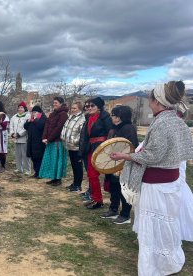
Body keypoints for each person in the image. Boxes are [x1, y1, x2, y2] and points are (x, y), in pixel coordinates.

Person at [110, 81, 193, 275]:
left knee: (155, 223)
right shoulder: (174, 119)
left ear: (157, 101)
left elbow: (152, 155)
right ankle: (168, 259)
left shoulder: (163, 121)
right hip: (170, 181)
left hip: (156, 184)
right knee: (166, 222)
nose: (149, 102)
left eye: (151, 98)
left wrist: (125, 156)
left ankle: (157, 265)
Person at [100, 105, 138, 224]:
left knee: (123, 189)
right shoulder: (113, 128)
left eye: (114, 115)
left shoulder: (128, 128)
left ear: (120, 117)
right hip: (113, 163)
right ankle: (113, 209)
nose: (112, 117)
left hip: (124, 163)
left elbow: (131, 147)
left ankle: (125, 214)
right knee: (114, 187)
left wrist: (122, 157)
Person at [81, 97, 113, 209]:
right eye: (87, 106)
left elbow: (111, 133)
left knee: (109, 176)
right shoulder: (88, 118)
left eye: (92, 106)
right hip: (91, 148)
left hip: (102, 149)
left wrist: (106, 148)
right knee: (91, 175)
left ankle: (113, 203)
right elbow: (85, 136)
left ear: (99, 106)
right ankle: (97, 199)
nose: (89, 108)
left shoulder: (105, 118)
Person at [39, 97, 69, 186]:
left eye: (56, 103)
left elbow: (58, 128)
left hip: (57, 141)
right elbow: (47, 126)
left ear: (61, 103)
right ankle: (53, 178)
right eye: (54, 103)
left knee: (57, 160)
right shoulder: (52, 114)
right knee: (52, 160)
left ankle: (58, 179)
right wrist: (44, 137)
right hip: (50, 141)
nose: (54, 104)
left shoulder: (63, 114)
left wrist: (49, 139)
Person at [61, 101, 86, 192]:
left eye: (75, 108)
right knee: (74, 166)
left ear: (80, 109)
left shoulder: (82, 119)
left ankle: (78, 185)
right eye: (72, 108)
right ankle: (74, 183)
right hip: (69, 145)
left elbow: (82, 134)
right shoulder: (71, 117)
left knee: (78, 166)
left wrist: (76, 142)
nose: (72, 110)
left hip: (76, 146)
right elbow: (66, 128)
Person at [24, 105, 47, 178]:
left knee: (39, 157)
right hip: (31, 141)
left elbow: (40, 126)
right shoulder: (32, 119)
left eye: (35, 112)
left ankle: (40, 173)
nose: (33, 114)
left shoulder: (43, 118)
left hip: (39, 142)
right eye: (32, 112)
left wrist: (35, 120)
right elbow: (25, 127)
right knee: (33, 157)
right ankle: (36, 172)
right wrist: (29, 121)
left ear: (39, 112)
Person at [10, 101, 31, 175]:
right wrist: (12, 134)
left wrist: (19, 134)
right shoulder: (14, 116)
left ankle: (27, 170)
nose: (20, 109)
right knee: (18, 155)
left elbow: (27, 128)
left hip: (24, 139)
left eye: (22, 107)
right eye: (19, 107)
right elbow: (11, 126)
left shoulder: (27, 116)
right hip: (16, 139)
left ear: (24, 108)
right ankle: (19, 168)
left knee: (25, 155)